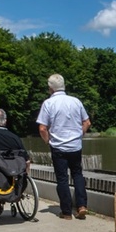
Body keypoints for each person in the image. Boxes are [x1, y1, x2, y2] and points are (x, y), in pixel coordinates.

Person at [36, 73, 91, 220]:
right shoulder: (76, 101)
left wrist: (48, 141)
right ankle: (82, 206)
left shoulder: (48, 103)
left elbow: (42, 128)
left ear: (50, 88)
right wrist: (79, 135)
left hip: (58, 147)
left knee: (62, 179)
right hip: (75, 146)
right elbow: (87, 122)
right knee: (77, 175)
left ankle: (66, 212)